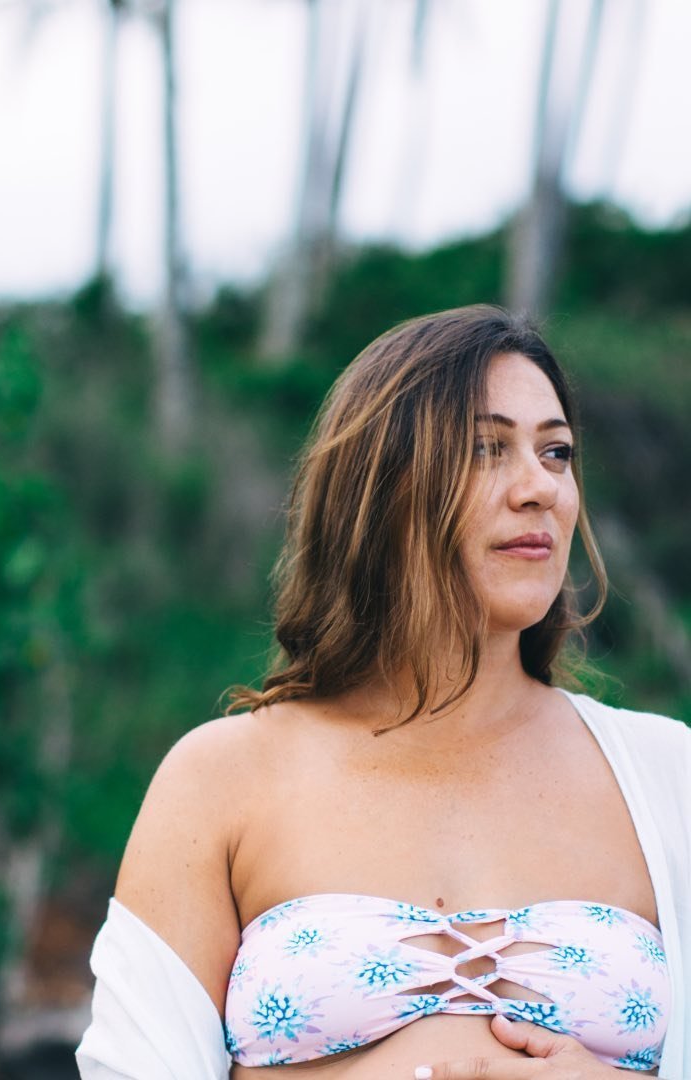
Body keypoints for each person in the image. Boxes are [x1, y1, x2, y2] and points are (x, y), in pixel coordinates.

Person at [75, 306, 690, 1079]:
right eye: (485, 449)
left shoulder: (669, 777)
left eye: (557, 452)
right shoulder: (221, 779)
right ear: (381, 489)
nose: (541, 488)